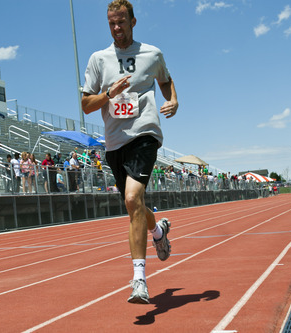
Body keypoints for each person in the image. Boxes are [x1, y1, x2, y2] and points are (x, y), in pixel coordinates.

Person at [81, 0, 178, 304]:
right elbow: (86, 106)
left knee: (132, 199)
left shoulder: (152, 54)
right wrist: (108, 93)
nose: (117, 28)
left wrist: (173, 100)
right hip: (114, 142)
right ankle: (159, 230)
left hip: (145, 134)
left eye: (121, 22)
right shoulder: (99, 59)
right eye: (112, 23)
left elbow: (165, 80)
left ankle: (139, 279)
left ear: (133, 22)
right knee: (134, 207)